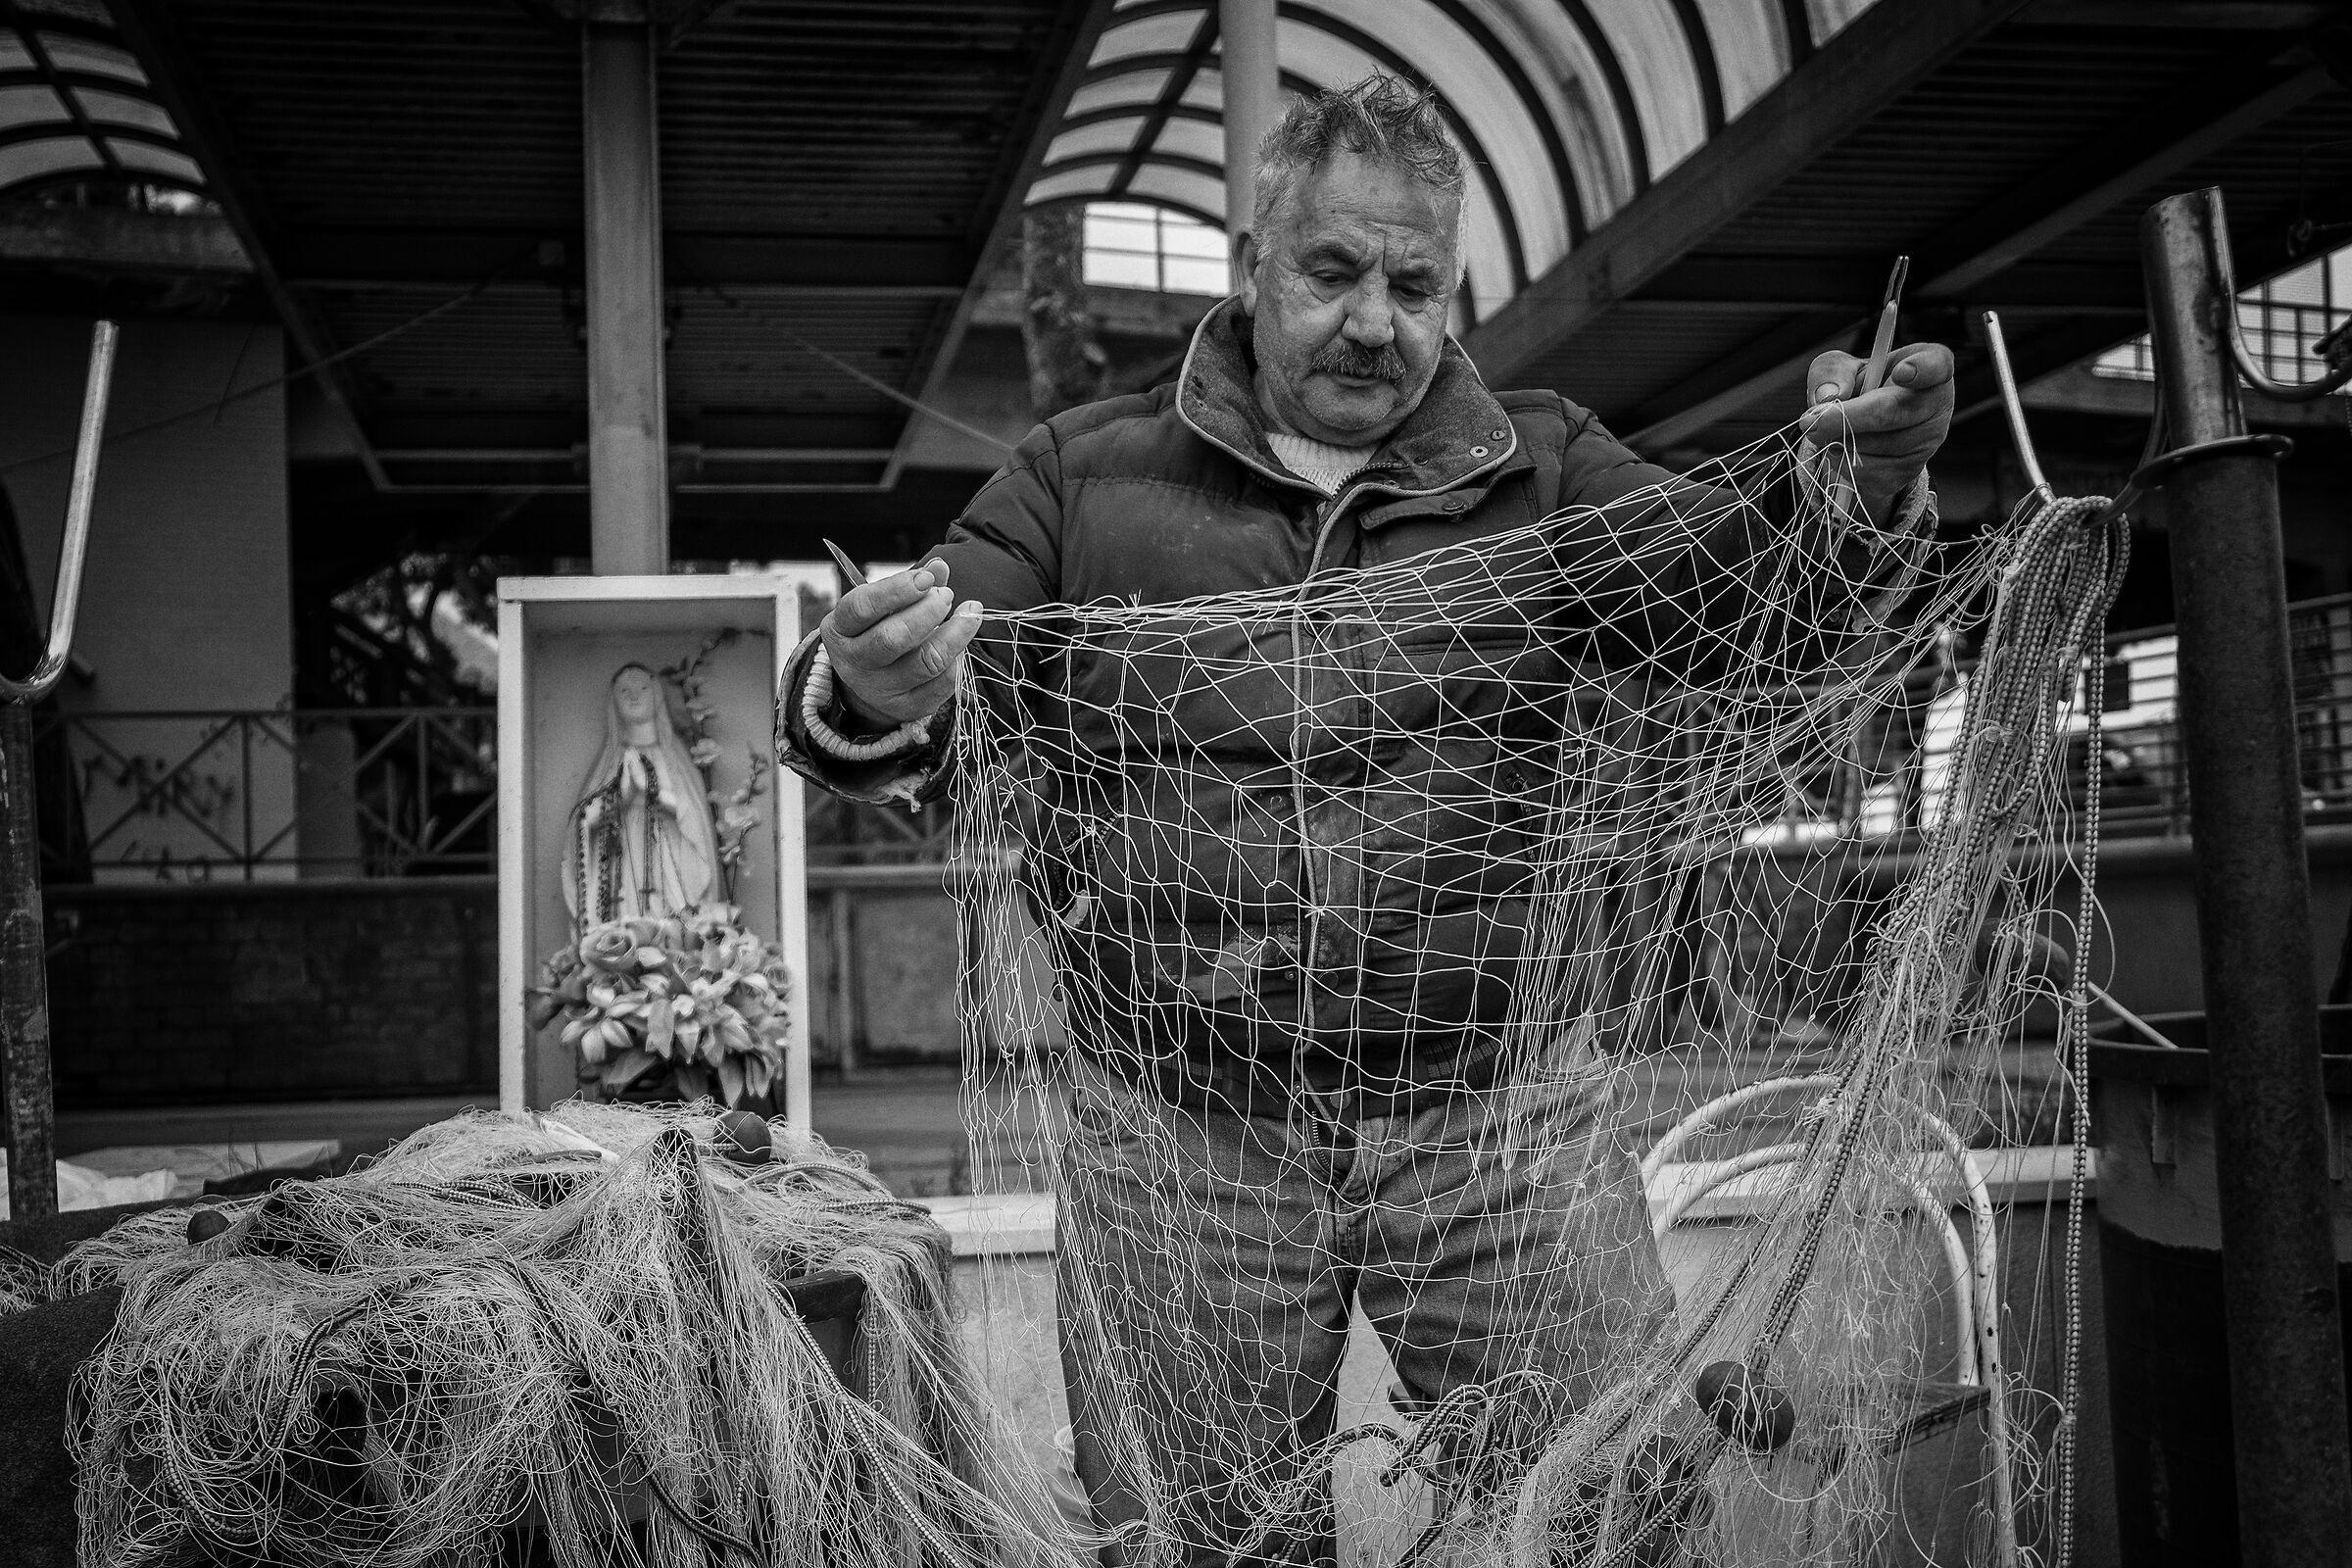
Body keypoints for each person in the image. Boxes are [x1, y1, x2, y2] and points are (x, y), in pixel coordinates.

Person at [777, 75, 1954, 1566]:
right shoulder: (1081, 474)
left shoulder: (1545, 466)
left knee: (1618, 1516)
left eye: (1413, 283)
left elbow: (1740, 603)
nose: (1375, 320)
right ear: (1254, 266)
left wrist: (1849, 494)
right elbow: (897, 685)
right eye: (1333, 273)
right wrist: (874, 682)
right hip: (1183, 1140)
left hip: (1504, 1126)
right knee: (1203, 1541)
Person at [565, 662, 716, 926]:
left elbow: (696, 823)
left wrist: (652, 790)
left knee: (669, 927)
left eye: (642, 688)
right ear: (614, 702)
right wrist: (619, 797)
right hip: (620, 863)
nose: (633, 696)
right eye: (624, 691)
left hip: (668, 860)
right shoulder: (611, 764)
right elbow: (583, 824)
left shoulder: (675, 762)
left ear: (656, 696)